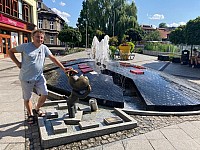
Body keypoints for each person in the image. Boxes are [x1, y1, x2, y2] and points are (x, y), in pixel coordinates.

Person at [8, 29, 69, 124]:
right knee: (27, 98)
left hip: (39, 77)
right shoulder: (25, 46)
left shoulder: (44, 48)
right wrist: (18, 63)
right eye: (37, 37)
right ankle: (30, 114)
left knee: (44, 94)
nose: (39, 39)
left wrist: (64, 68)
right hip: (26, 78)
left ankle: (36, 109)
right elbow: (10, 51)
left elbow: (53, 58)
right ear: (33, 37)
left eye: (41, 38)